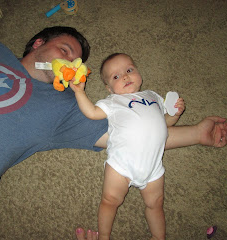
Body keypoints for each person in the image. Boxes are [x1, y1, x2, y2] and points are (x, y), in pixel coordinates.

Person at [0, 26, 227, 240]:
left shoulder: (61, 107)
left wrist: (197, 133)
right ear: (38, 43)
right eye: (65, 50)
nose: (71, 61)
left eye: (76, 60)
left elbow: (131, 134)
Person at [70, 52, 185, 240]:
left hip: (153, 167)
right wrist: (79, 92)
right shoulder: (113, 102)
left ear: (139, 73)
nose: (125, 76)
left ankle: (159, 236)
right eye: (116, 76)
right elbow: (91, 112)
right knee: (110, 201)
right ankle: (104, 236)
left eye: (129, 70)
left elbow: (165, 124)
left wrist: (176, 113)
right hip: (121, 166)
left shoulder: (153, 96)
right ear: (109, 88)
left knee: (156, 203)